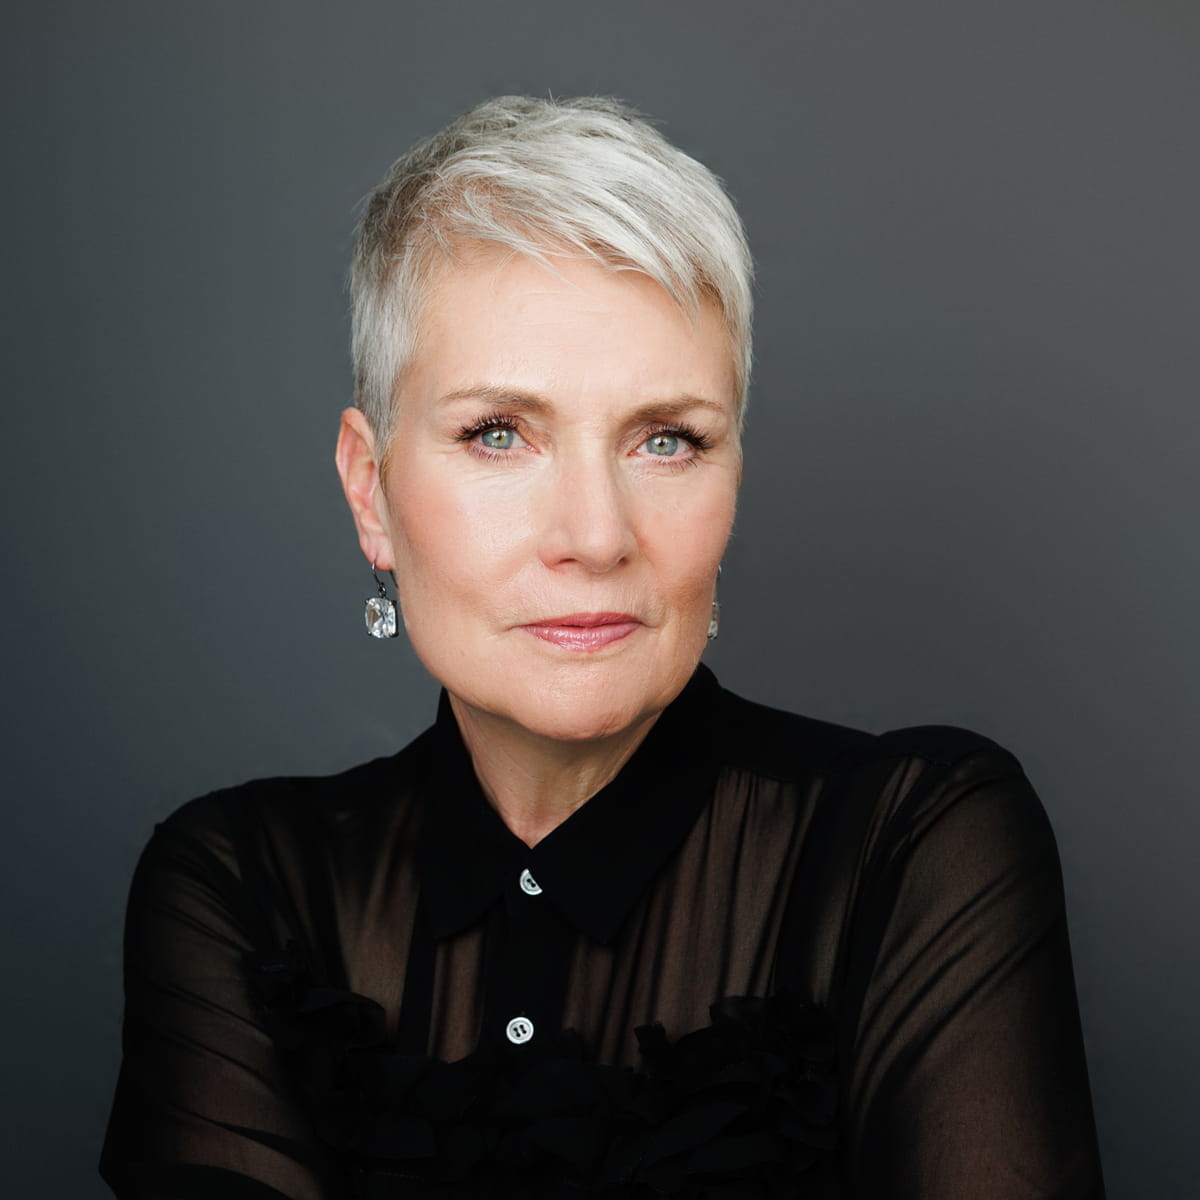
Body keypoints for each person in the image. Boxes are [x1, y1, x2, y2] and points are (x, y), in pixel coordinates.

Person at [100, 96, 1105, 1199]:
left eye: (667, 440)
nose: (595, 536)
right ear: (369, 489)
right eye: (499, 434)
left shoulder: (914, 847)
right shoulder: (245, 890)